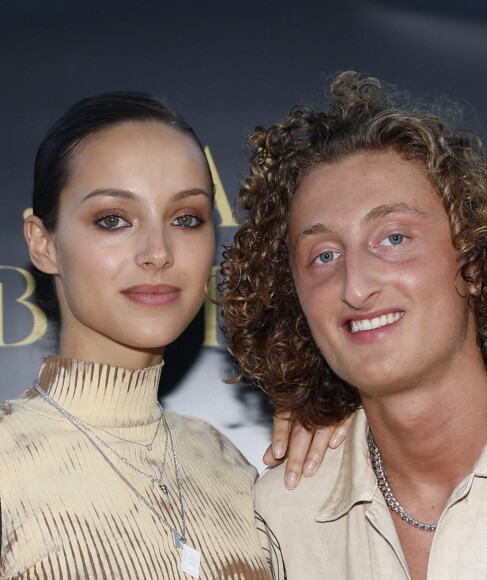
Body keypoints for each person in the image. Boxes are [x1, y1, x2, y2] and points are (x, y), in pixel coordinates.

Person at [219, 71, 487, 579]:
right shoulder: (279, 518)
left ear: (473, 261)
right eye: (323, 255)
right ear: (294, 299)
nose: (355, 285)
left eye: (393, 238)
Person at [0, 91, 346, 579]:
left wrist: (351, 427)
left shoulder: (232, 470)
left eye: (186, 219)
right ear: (44, 244)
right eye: (113, 219)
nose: (158, 252)